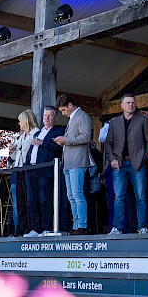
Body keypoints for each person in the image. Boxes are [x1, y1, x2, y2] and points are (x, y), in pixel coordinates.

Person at [105, 94, 148, 234]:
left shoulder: (143, 120)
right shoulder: (114, 123)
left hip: (138, 163)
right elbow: (108, 143)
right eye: (127, 103)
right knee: (118, 197)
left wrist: (144, 158)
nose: (131, 105)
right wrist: (112, 160)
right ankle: (117, 227)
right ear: (122, 105)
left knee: (141, 197)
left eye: (133, 102)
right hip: (120, 164)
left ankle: (143, 227)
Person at [24, 106, 67, 237]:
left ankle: (47, 228)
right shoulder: (38, 132)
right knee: (31, 201)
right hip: (31, 170)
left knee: (44, 200)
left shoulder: (59, 130)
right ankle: (35, 229)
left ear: (55, 117)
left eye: (50, 116)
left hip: (46, 170)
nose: (47, 118)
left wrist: (43, 142)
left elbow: (58, 148)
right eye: (45, 116)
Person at [55, 95, 93, 236]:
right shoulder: (72, 118)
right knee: (71, 196)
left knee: (77, 194)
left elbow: (85, 137)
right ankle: (76, 224)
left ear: (70, 105)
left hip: (77, 161)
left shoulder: (82, 116)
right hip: (68, 162)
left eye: (64, 110)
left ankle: (82, 225)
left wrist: (66, 140)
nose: (63, 113)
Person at [8, 111, 38, 236]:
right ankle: (21, 228)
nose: (19, 124)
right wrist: (11, 151)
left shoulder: (36, 133)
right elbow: (15, 157)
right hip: (18, 170)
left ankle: (32, 227)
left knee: (30, 200)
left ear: (26, 121)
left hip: (30, 170)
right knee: (20, 202)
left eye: (20, 121)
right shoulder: (21, 136)